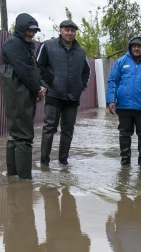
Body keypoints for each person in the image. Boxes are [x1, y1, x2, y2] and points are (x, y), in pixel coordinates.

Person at [0, 13, 47, 180]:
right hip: (18, 96)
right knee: (24, 138)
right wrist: (37, 89)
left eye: (34, 31)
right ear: (20, 28)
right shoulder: (13, 44)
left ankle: (13, 178)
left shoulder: (25, 45)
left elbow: (33, 69)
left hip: (22, 95)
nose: (31, 33)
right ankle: (25, 182)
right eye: (28, 30)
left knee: (16, 136)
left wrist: (40, 87)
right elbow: (24, 71)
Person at [36, 20, 91, 166]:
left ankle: (63, 162)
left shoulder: (81, 51)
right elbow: (38, 66)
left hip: (72, 98)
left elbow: (87, 71)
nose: (69, 33)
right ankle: (44, 163)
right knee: (49, 128)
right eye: (67, 30)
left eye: (73, 31)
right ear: (60, 30)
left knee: (68, 130)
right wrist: (47, 84)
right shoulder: (47, 45)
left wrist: (81, 86)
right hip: (54, 95)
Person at [106, 35, 141, 167]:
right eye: (134, 46)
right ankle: (125, 162)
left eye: (139, 46)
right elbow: (112, 81)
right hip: (124, 106)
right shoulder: (121, 62)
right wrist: (111, 100)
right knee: (124, 134)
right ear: (130, 47)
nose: (136, 48)